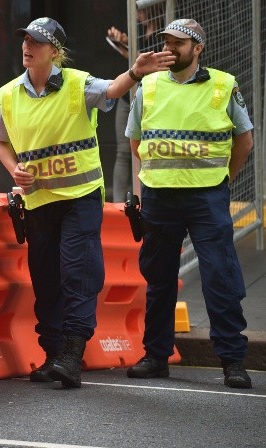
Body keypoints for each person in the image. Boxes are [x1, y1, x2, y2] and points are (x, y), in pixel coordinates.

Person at [0, 17, 174, 388]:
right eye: (25, 40)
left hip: (80, 198)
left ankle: (72, 355)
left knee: (78, 274)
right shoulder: (9, 94)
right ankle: (53, 354)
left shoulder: (77, 84)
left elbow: (112, 90)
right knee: (46, 281)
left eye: (36, 42)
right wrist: (14, 170)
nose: (27, 47)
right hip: (39, 202)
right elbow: (0, 139)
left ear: (54, 51)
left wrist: (135, 72)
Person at [125, 19, 254, 389]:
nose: (170, 48)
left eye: (178, 43)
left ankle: (232, 361)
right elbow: (136, 140)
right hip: (159, 196)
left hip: (206, 196)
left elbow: (244, 140)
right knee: (159, 279)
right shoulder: (148, 85)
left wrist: (222, 180)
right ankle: (156, 356)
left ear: (198, 48)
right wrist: (151, 182)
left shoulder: (223, 85)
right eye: (167, 41)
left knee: (219, 277)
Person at [107, 4, 164, 202]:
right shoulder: (137, 29)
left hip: (152, 99)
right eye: (137, 10)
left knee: (147, 151)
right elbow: (132, 62)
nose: (138, 14)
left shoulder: (165, 33)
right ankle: (118, 204)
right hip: (127, 97)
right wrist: (122, 41)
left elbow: (156, 65)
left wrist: (130, 51)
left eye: (141, 10)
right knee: (123, 152)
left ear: (153, 8)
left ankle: (145, 201)